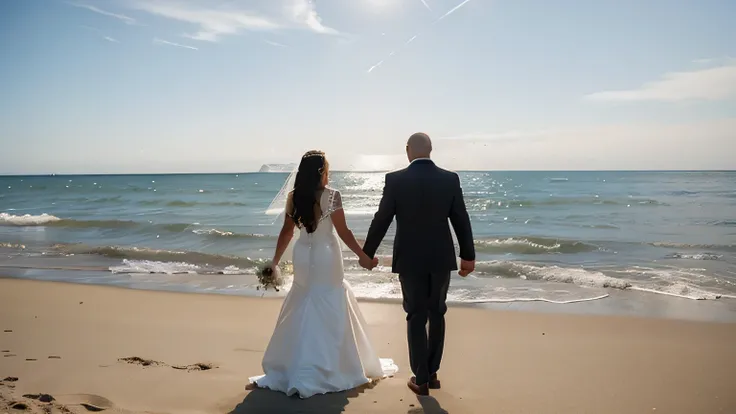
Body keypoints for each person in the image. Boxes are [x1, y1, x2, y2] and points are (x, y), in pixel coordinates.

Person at [248, 150, 397, 398]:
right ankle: (330, 365)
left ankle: (296, 364)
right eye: (327, 169)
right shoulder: (332, 196)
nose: (330, 174)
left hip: (303, 255)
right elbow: (343, 231)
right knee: (329, 299)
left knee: (303, 299)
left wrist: (274, 262)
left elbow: (286, 232)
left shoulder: (294, 197)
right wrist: (364, 256)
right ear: (321, 172)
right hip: (327, 255)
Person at [363, 132, 475, 396]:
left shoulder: (395, 180)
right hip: (441, 257)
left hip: (410, 258)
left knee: (415, 315)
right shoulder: (449, 179)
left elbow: (382, 219)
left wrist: (368, 253)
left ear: (407, 150)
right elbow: (461, 218)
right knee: (437, 312)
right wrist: (467, 255)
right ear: (431, 150)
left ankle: (421, 377)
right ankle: (432, 372)